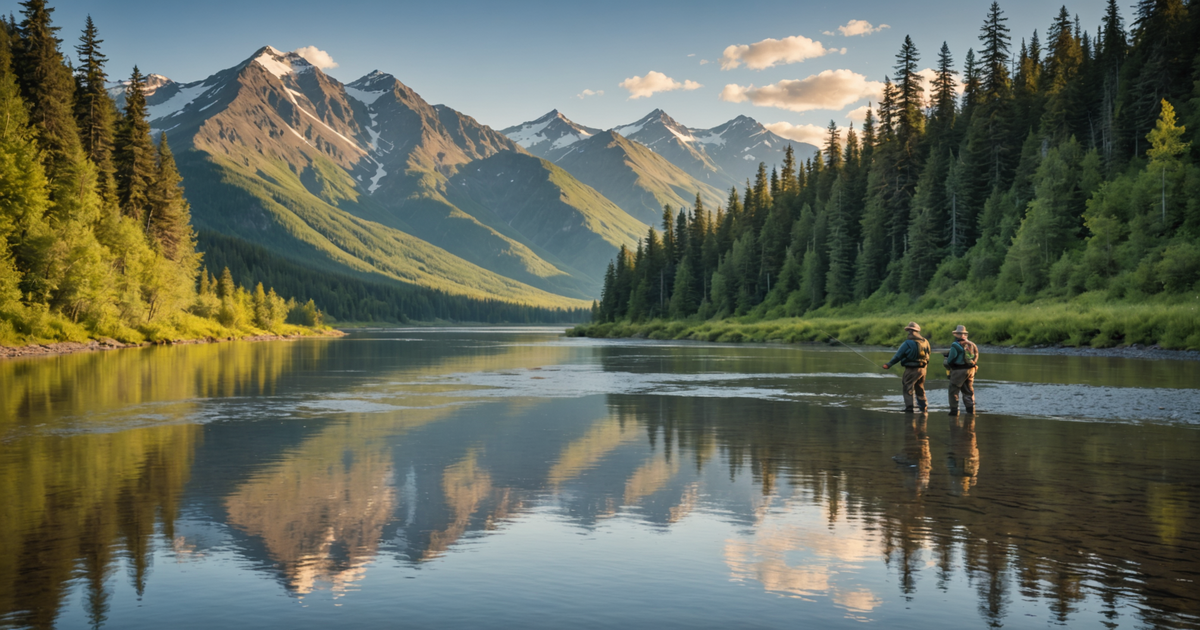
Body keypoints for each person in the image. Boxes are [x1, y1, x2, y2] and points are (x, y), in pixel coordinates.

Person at [882, 322, 931, 412]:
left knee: (907, 387)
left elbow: (898, 356)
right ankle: (923, 407)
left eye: (910, 330)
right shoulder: (925, 341)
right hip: (923, 369)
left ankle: (909, 408)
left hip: (912, 369)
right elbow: (928, 354)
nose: (909, 332)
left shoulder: (907, 343)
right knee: (920, 388)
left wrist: (888, 364)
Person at [943, 324, 978, 415]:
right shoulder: (971, 344)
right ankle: (971, 411)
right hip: (971, 370)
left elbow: (950, 360)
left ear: (957, 335)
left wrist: (950, 366)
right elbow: (975, 357)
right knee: (968, 391)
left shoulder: (955, 345)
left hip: (959, 370)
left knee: (953, 390)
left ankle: (954, 411)